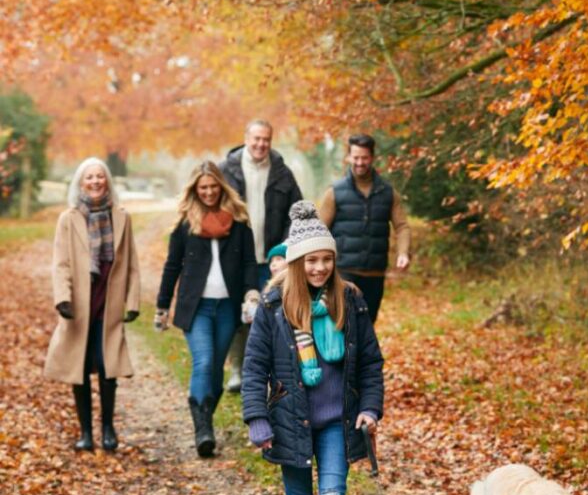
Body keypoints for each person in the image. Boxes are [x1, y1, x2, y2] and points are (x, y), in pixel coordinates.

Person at [242, 201, 384, 495]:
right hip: (290, 423)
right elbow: (254, 369)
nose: (320, 268)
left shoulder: (352, 301)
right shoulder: (274, 305)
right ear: (298, 262)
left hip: (337, 424)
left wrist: (370, 408)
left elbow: (370, 365)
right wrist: (257, 421)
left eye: (326, 259)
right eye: (311, 260)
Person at [155, 161, 259, 457]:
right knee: (203, 361)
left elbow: (250, 262)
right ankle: (203, 430)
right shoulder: (186, 225)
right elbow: (172, 266)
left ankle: (205, 422)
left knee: (215, 368)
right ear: (195, 190)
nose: (209, 192)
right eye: (203, 188)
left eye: (214, 186)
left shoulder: (238, 224)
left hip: (227, 306)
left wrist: (251, 292)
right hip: (196, 306)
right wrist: (162, 306)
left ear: (221, 187)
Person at [44, 157, 140, 452]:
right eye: (90, 177)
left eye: (100, 177)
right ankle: (86, 432)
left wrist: (133, 300)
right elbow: (60, 263)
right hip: (79, 305)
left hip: (108, 301)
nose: (96, 182)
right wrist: (62, 298)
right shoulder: (69, 218)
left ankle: (108, 428)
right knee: (80, 366)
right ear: (80, 183)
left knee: (108, 364)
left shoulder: (122, 216)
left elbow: (132, 264)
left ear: (108, 181)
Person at [218, 119, 303, 392]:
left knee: (272, 313)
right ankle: (237, 369)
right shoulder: (225, 170)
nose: (260, 144)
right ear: (246, 138)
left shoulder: (282, 173)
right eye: (256, 139)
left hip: (271, 259)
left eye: (266, 139)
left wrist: (286, 247)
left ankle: (272, 372)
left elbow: (297, 212)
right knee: (239, 313)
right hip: (235, 257)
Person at [318, 133, 411, 323]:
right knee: (344, 324)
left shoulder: (387, 192)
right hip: (343, 271)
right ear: (349, 157)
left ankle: (361, 354)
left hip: (375, 273)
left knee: (367, 325)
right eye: (356, 157)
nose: (360, 162)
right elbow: (319, 230)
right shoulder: (335, 192)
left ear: (372, 158)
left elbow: (402, 226)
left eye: (364, 158)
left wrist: (403, 253)